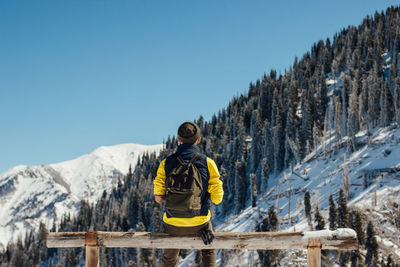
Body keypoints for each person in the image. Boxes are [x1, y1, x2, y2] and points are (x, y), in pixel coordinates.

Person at [153, 121, 224, 267]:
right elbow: (217, 199)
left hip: (173, 223)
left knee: (169, 258)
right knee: (209, 249)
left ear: (178, 140)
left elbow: (159, 198)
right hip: (200, 223)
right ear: (198, 140)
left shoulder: (166, 163)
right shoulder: (208, 163)